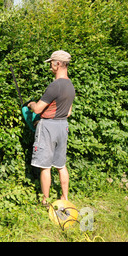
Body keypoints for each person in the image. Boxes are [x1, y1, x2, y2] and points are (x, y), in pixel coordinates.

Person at [27, 50, 75, 207]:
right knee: (61, 165)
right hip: (63, 126)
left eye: (51, 63)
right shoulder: (70, 85)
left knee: (45, 166)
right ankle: (65, 198)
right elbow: (68, 112)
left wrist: (30, 104)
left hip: (48, 126)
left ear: (59, 64)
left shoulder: (55, 85)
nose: (50, 66)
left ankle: (45, 201)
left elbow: (38, 109)